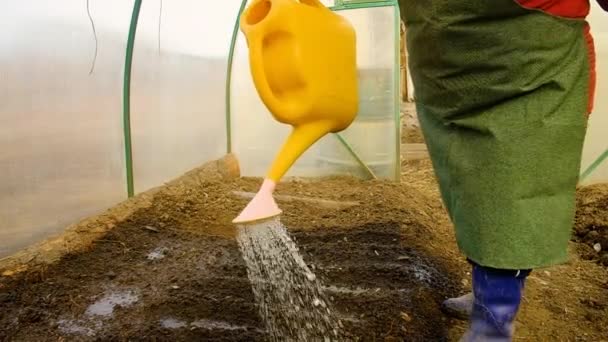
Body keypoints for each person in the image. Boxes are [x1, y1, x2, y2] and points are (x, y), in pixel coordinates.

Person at [398, 0, 605, 340]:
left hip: (530, 69)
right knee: (473, 188)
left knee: (509, 193)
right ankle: (488, 293)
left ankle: (494, 318)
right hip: (452, 75)